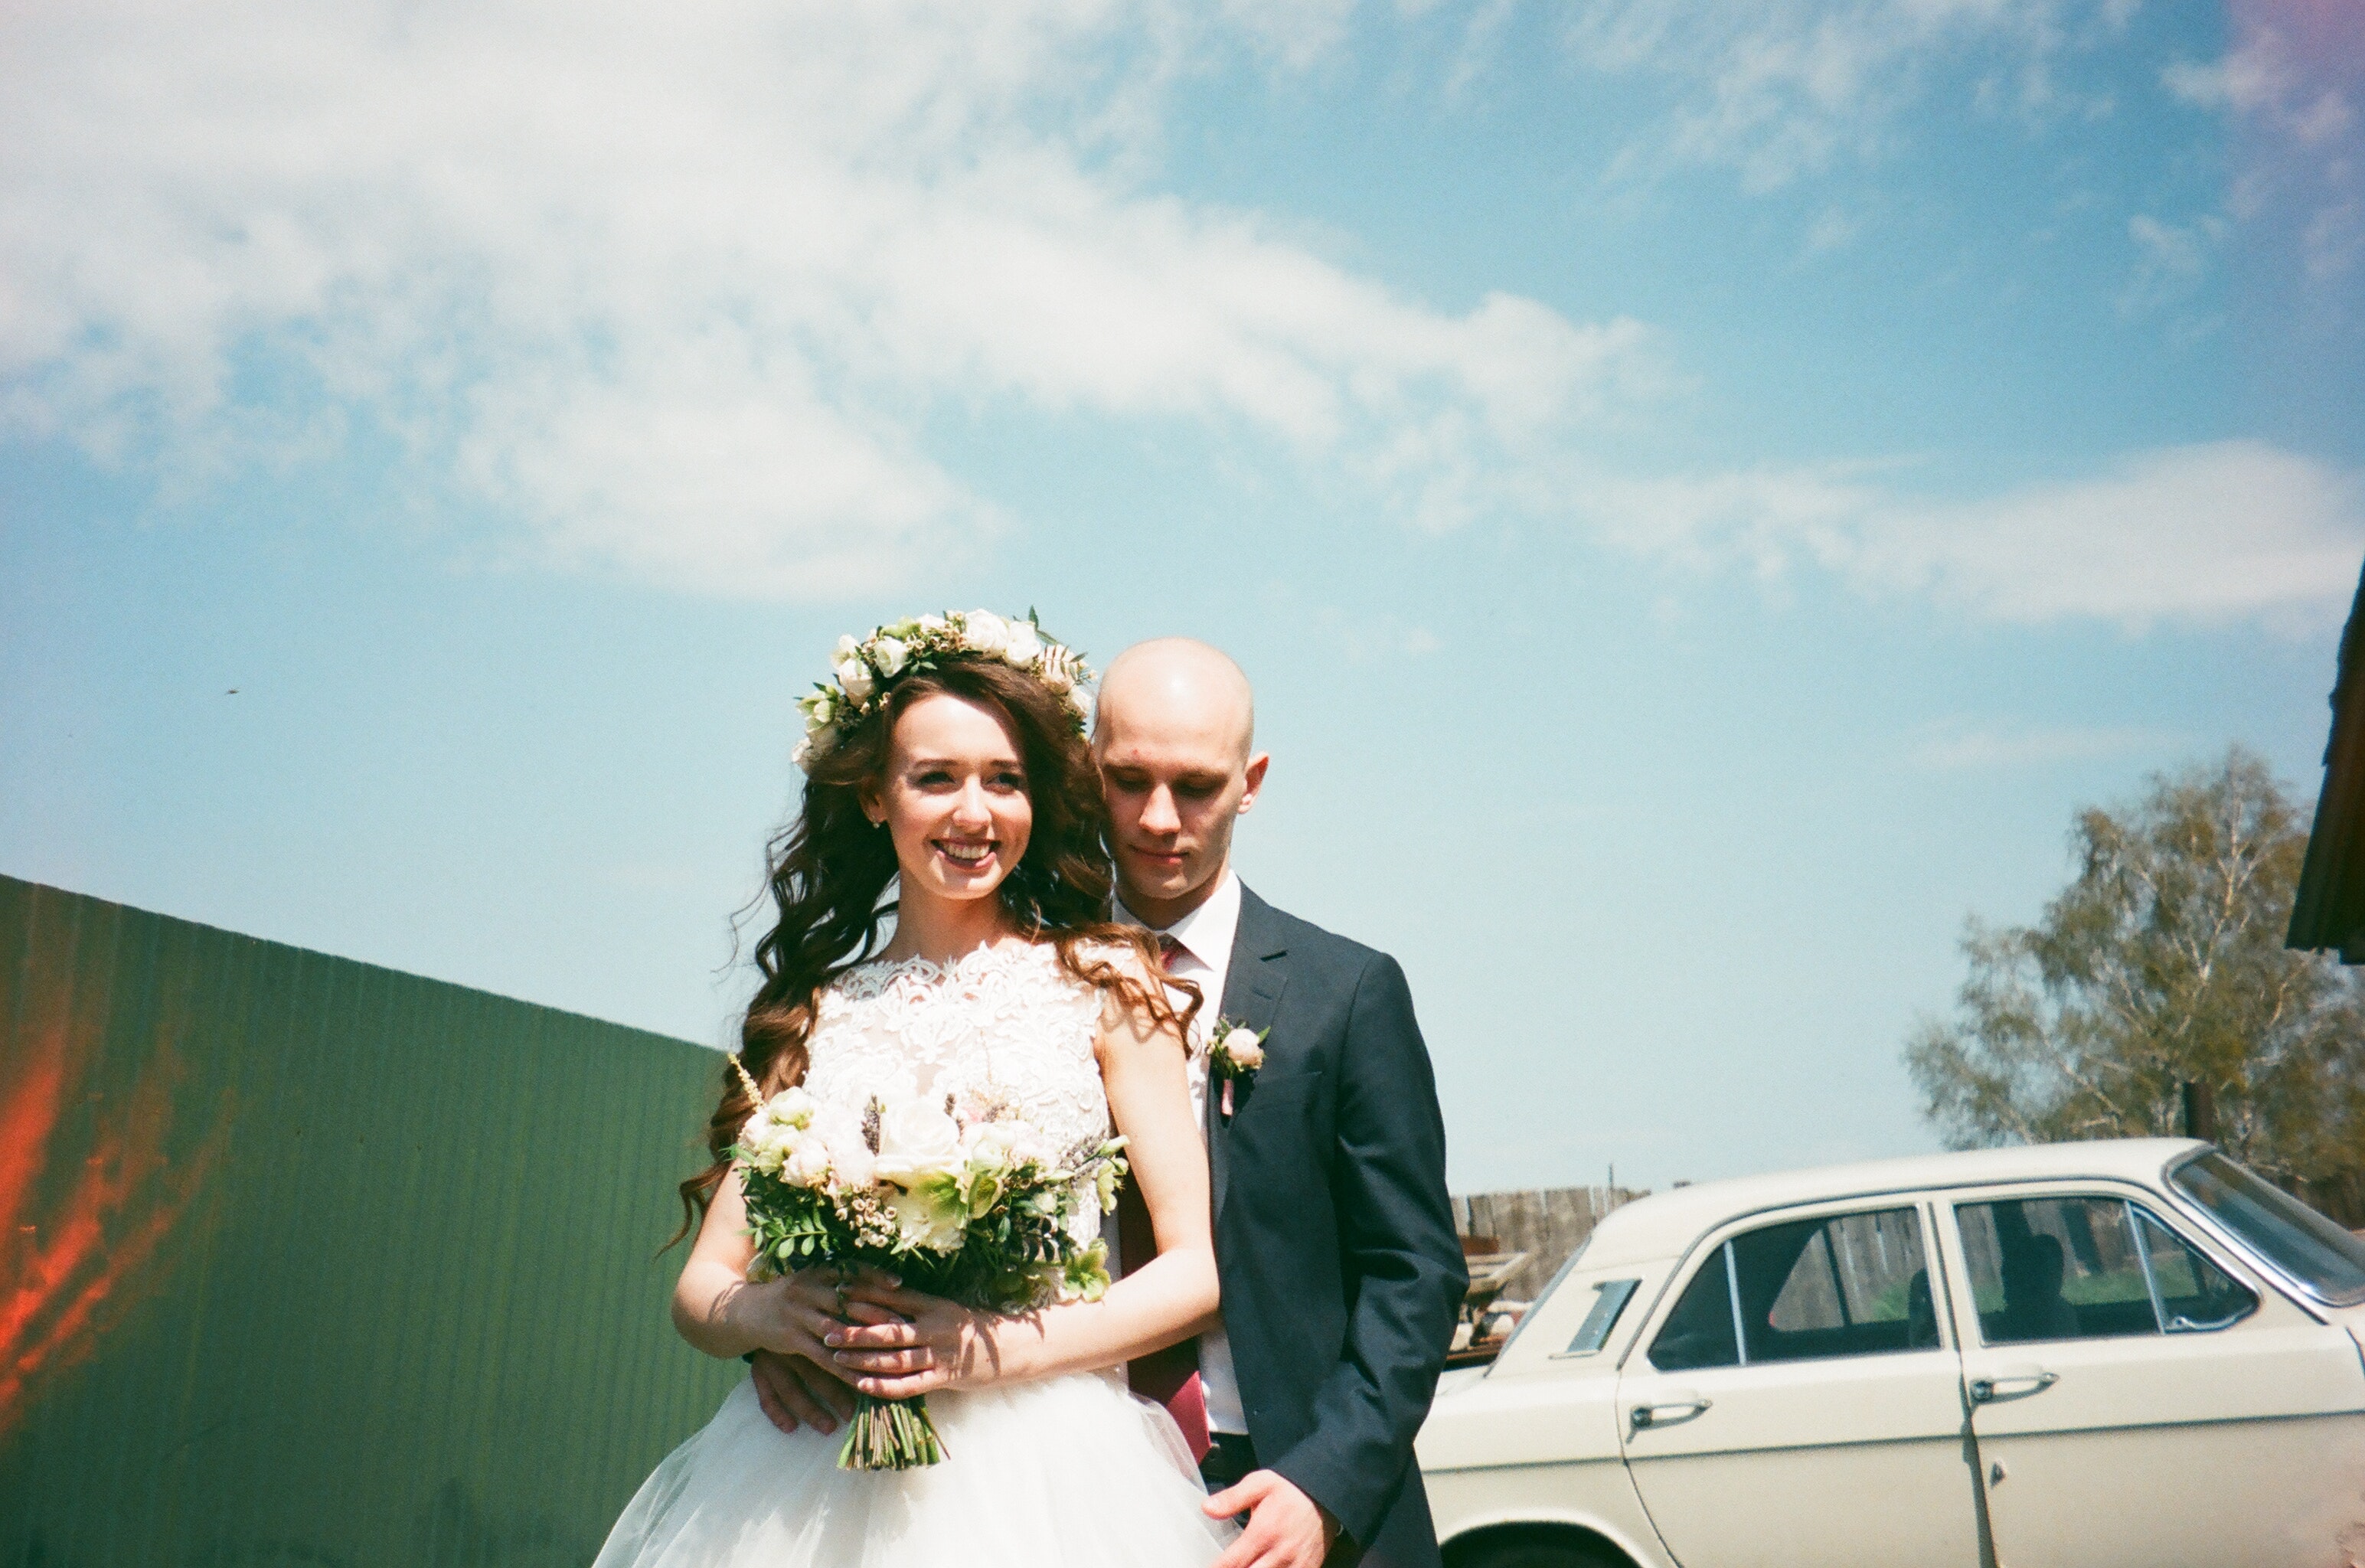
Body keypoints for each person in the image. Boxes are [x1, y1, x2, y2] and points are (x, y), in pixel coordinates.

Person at [792, 637, 1468, 1568]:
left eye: (1195, 786)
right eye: (1127, 779)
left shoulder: (1343, 991)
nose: (1159, 818)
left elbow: (1414, 1270)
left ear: (1251, 780)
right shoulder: (1005, 976)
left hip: (1285, 1480)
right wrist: (802, 1334)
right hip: (1036, 1478)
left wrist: (1326, 1483)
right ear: (1085, 770)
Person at [592, 612, 1236, 1568]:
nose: (973, 814)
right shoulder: (821, 1013)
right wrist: (775, 1319)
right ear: (873, 797)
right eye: (936, 777)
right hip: (814, 1477)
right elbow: (702, 1285)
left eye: (1004, 780)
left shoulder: (1107, 985)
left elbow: (1195, 1271)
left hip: (1048, 1476)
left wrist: (987, 1342)